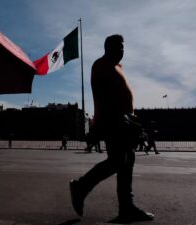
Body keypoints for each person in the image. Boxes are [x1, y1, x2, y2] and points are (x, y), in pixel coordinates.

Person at [69, 34, 154, 223]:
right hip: (113, 122)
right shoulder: (101, 65)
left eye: (123, 47)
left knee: (127, 163)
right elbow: (101, 95)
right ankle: (80, 187)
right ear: (108, 48)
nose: (122, 50)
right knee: (117, 161)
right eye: (118, 47)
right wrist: (109, 119)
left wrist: (132, 118)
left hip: (127, 123)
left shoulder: (118, 67)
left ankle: (127, 207)